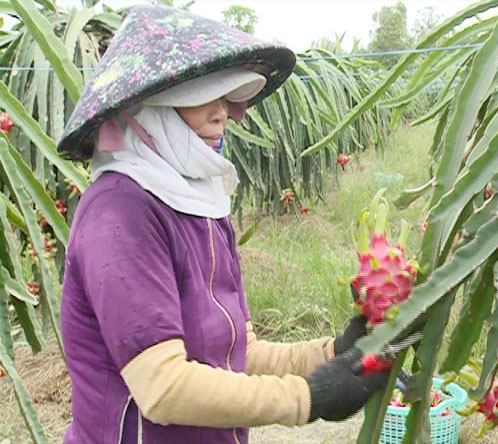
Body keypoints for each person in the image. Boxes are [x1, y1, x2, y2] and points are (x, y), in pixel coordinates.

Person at [56, 5, 388, 444]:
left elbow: (237, 352)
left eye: (226, 98)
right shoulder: (119, 214)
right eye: (202, 98)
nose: (228, 114)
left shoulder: (200, 205)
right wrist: (306, 398)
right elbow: (164, 387)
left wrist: (328, 354)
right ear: (145, 109)